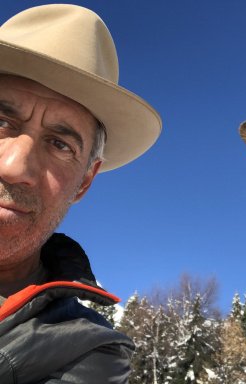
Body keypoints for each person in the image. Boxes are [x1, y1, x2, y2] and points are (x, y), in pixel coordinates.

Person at [0, 4, 161, 384]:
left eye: (59, 144)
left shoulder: (87, 354)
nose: (15, 167)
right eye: (2, 122)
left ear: (85, 182)